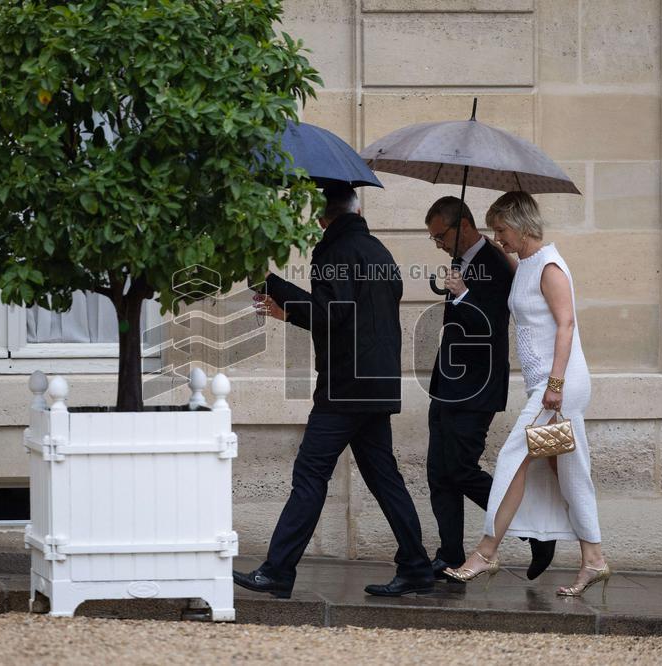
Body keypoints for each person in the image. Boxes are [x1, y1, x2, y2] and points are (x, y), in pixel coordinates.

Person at [234, 184, 434, 599]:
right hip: (377, 383)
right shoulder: (379, 252)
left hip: (345, 388)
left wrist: (276, 293)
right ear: (357, 210)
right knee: (384, 477)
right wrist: (282, 299)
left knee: (310, 474)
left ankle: (277, 571)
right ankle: (415, 566)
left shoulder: (334, 251)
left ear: (324, 218)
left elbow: (330, 316)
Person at [444, 191, 609, 598]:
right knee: (567, 471)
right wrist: (462, 287)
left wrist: (554, 386)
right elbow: (511, 290)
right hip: (547, 386)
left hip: (560, 387)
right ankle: (594, 559)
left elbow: (566, 326)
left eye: (501, 230)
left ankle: (485, 552)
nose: (498, 238)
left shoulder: (550, 265)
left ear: (521, 225)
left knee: (512, 456)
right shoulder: (526, 264)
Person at [424, 196, 556, 583]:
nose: (439, 244)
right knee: (438, 473)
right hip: (446, 383)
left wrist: (463, 294)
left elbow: (491, 327)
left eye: (441, 236)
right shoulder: (461, 263)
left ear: (463, 225)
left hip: (475, 386)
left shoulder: (496, 264)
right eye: (434, 239)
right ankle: (448, 553)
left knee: (461, 469)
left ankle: (532, 527)